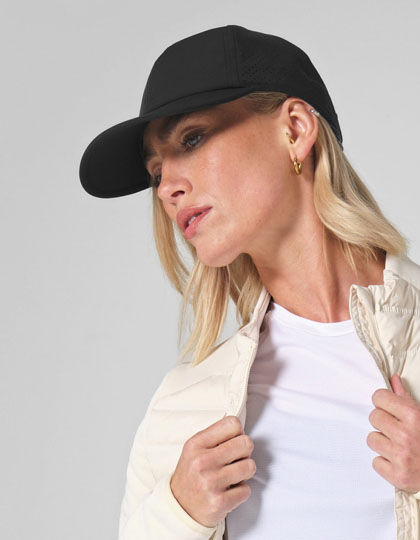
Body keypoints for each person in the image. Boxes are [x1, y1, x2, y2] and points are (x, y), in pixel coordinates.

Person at [79, 25, 420, 540]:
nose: (167, 188)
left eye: (192, 139)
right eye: (156, 173)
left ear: (295, 130)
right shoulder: (184, 407)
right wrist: (178, 513)